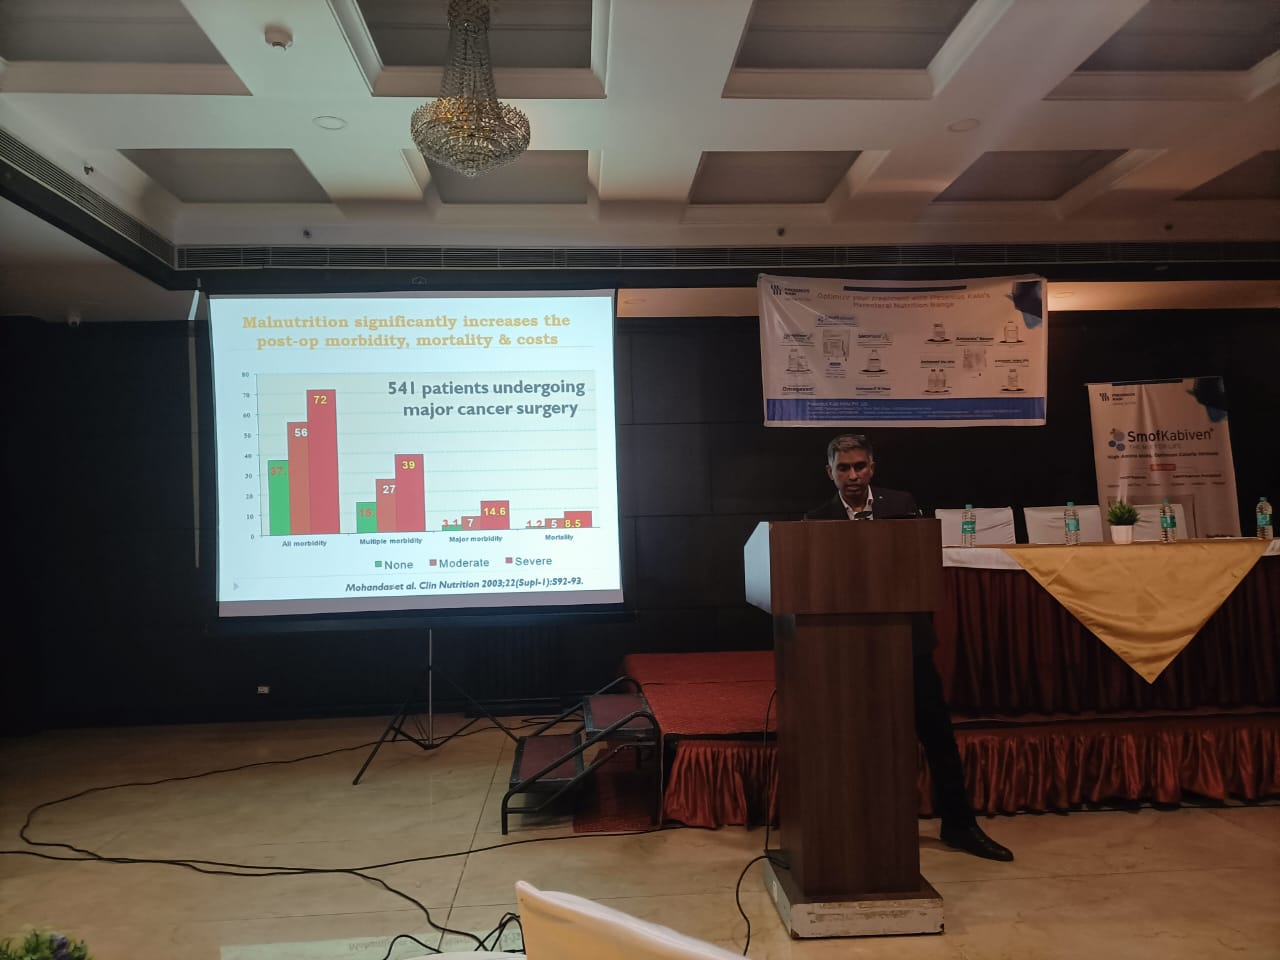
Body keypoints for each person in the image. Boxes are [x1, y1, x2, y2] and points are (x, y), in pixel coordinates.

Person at [805, 433, 1014, 862]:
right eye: (843, 468)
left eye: (859, 466)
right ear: (830, 473)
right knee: (856, 740)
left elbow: (918, 564)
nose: (853, 475)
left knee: (937, 736)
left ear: (872, 468)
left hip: (907, 641)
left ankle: (960, 825)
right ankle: (858, 829)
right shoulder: (816, 521)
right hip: (850, 650)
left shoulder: (902, 505)